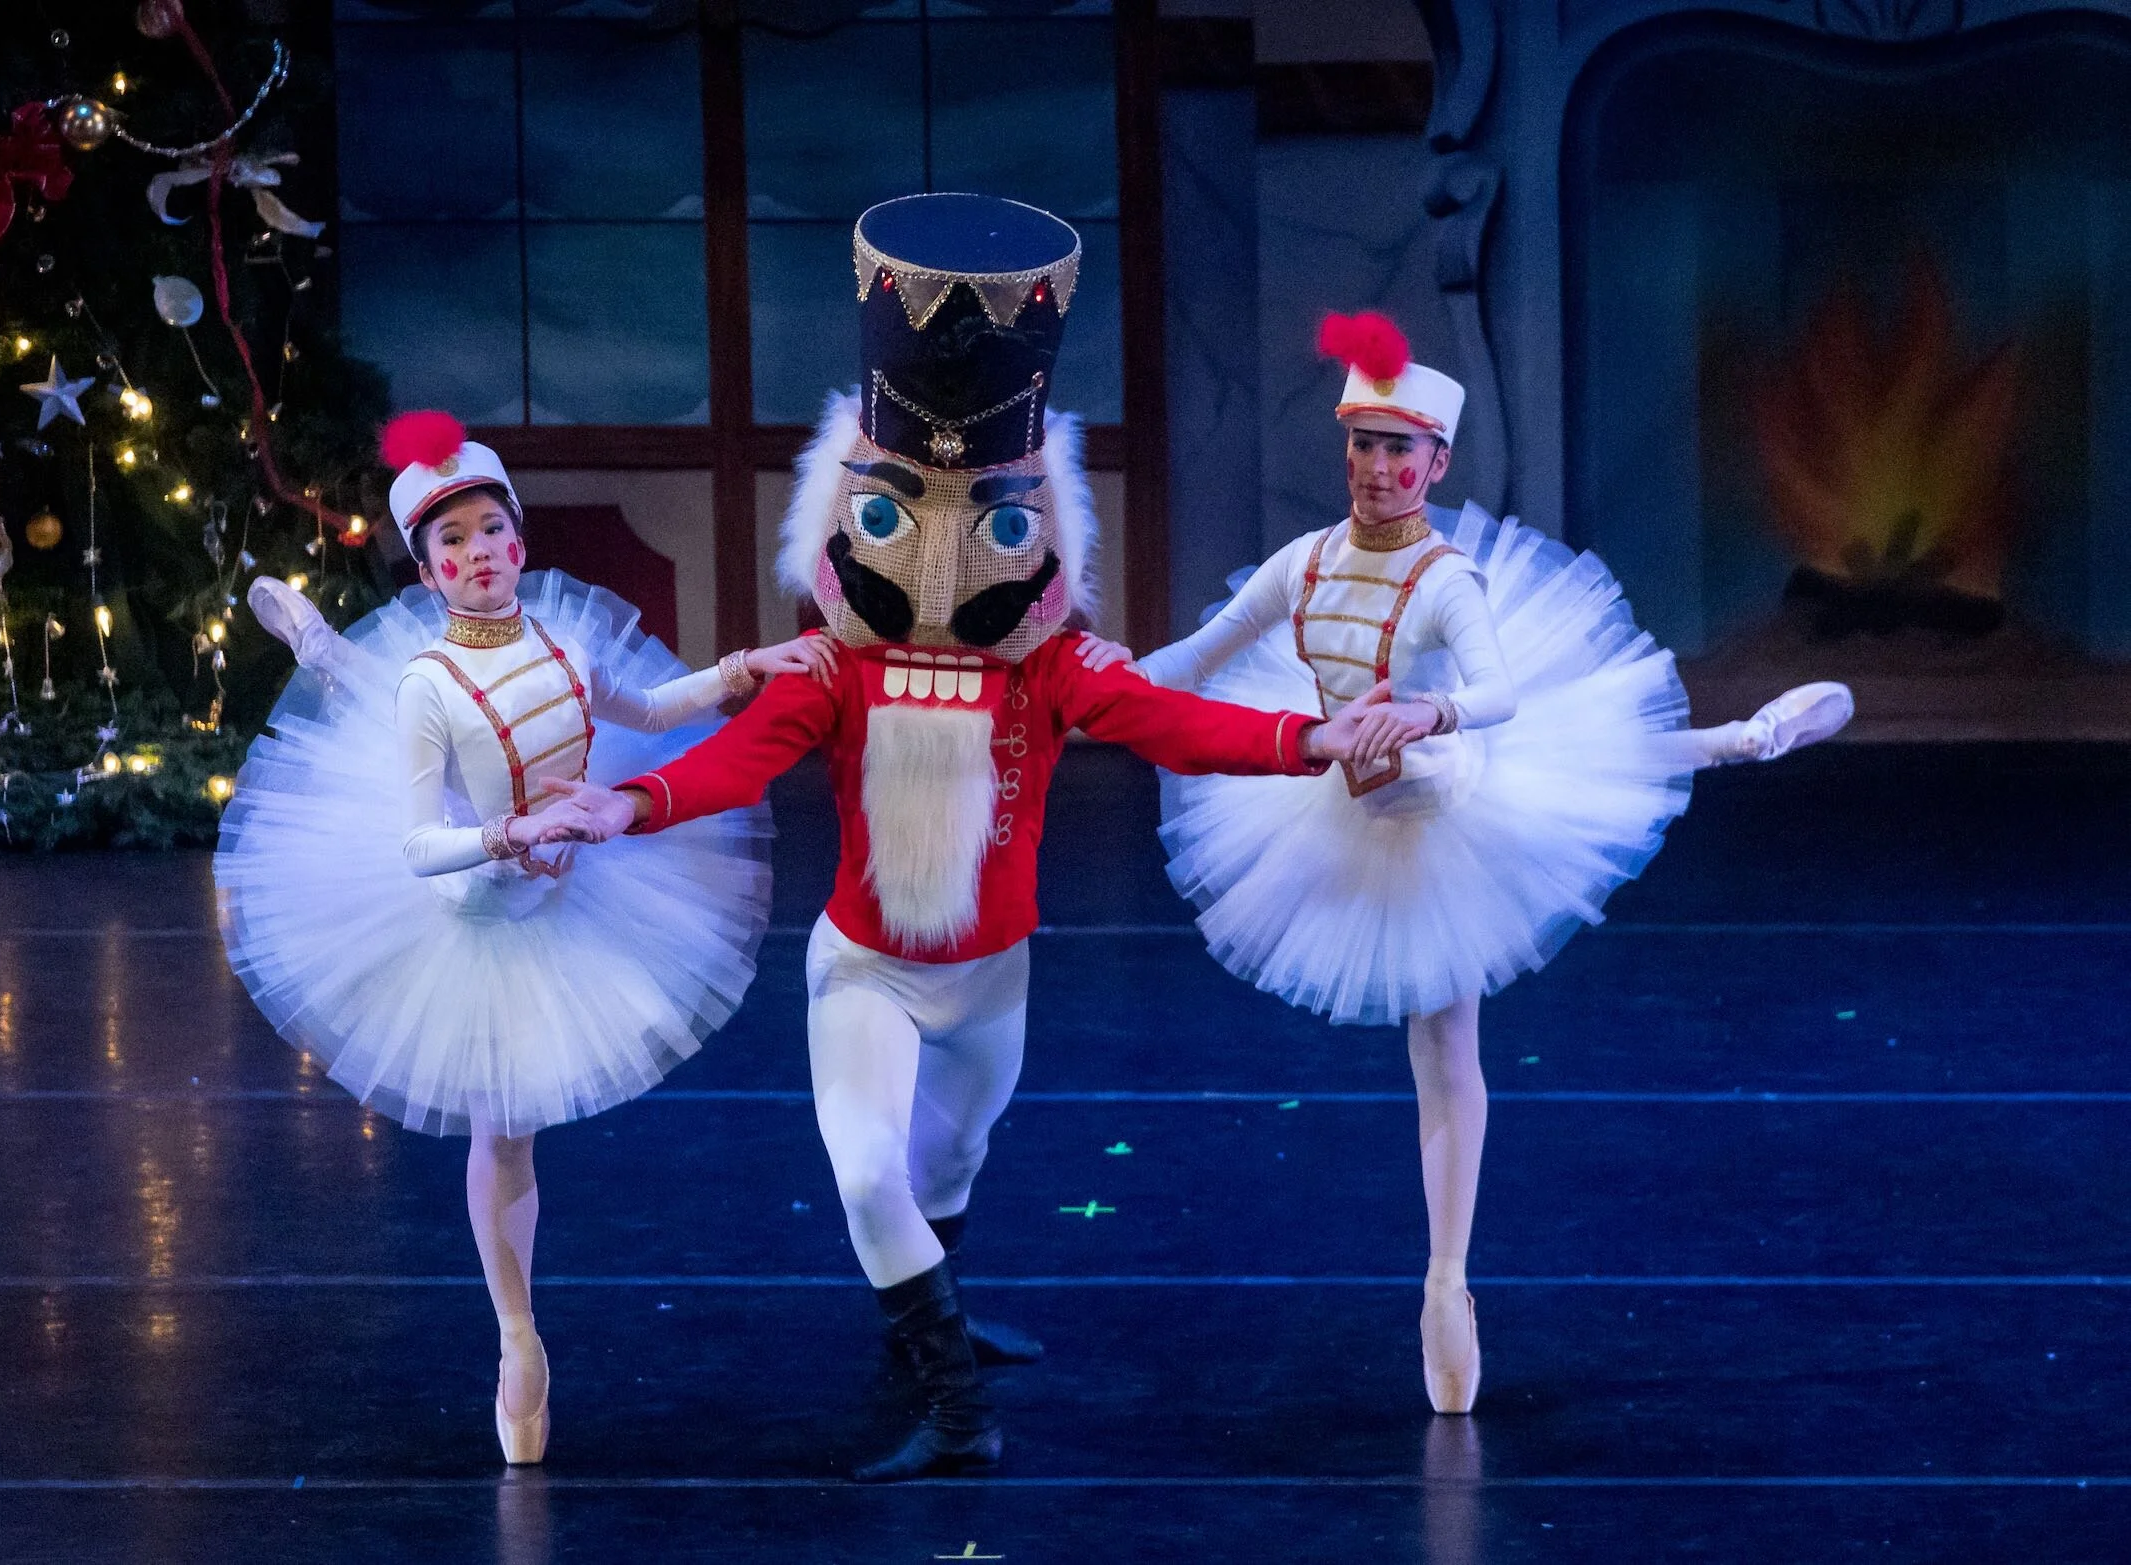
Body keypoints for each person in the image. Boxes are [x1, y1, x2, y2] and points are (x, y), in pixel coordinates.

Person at [539, 196, 1422, 1482]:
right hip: (867, 970)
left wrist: (1307, 739)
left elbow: (1175, 724)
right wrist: (626, 804)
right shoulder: (832, 670)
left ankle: (923, 1327)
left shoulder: (1046, 670)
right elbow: (736, 757)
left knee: (949, 1161)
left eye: (996, 522)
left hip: (993, 976)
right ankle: (957, 1409)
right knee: (865, 1171)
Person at [1077, 312, 1853, 1415]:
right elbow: (1194, 659)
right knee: (1565, 787)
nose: (1377, 467)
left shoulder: (1446, 579)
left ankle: (1447, 1281)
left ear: (1436, 464)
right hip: (1349, 792)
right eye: (1363, 443)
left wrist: (1430, 710)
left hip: (1447, 793)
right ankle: (1736, 738)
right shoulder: (1304, 564)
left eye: (1400, 450)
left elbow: (1496, 692)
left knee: (1457, 1013)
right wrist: (1089, 685)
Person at [215, 412, 835, 1465]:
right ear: (427, 571)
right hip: (476, 910)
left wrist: (747, 665)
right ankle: (516, 1335)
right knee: (502, 1126)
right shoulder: (427, 681)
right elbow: (419, 844)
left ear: (519, 538)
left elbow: (645, 710)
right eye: (450, 542)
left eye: (491, 530)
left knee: (517, 1124)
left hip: (566, 889)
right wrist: (511, 835)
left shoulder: (560, 640)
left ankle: (325, 650)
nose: (477, 553)